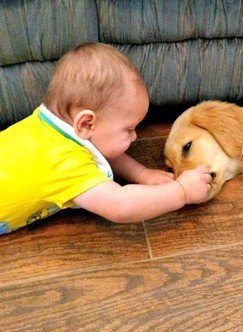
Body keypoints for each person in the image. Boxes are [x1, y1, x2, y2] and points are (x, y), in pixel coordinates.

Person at [0, 42, 212, 235]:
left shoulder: (50, 125)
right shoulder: (63, 162)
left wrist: (141, 174)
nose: (135, 135)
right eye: (128, 129)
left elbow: (99, 149)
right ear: (85, 124)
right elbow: (120, 205)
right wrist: (181, 191)